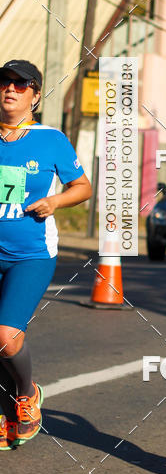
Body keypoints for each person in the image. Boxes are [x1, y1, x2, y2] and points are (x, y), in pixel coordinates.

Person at [0, 60, 92, 450]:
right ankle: (6, 415)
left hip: (30, 254)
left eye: (21, 85)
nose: (10, 89)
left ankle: (27, 394)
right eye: (4, 82)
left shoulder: (51, 139)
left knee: (5, 336)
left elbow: (82, 187)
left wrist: (55, 200)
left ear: (36, 96)